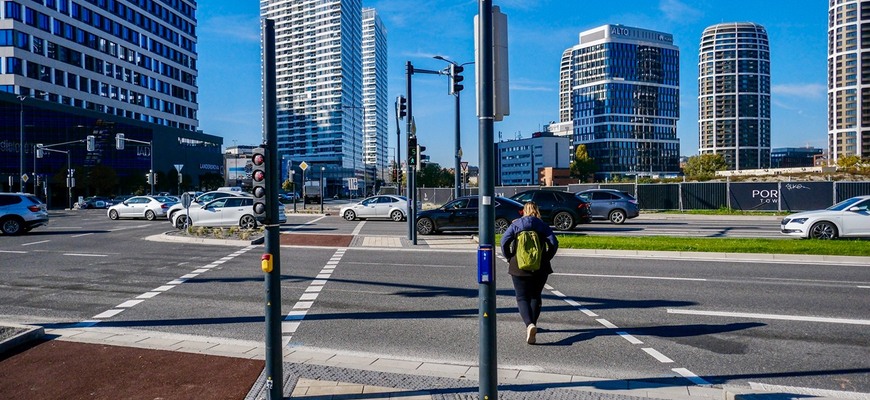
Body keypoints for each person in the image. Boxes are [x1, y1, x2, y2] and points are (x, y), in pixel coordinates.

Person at [500, 201, 558, 344]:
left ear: (524, 211)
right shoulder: (542, 225)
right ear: (537, 210)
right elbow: (554, 243)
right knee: (535, 296)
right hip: (540, 266)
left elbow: (504, 242)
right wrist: (546, 257)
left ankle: (529, 324)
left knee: (521, 297)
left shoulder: (516, 224)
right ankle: (533, 324)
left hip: (518, 266)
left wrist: (509, 257)